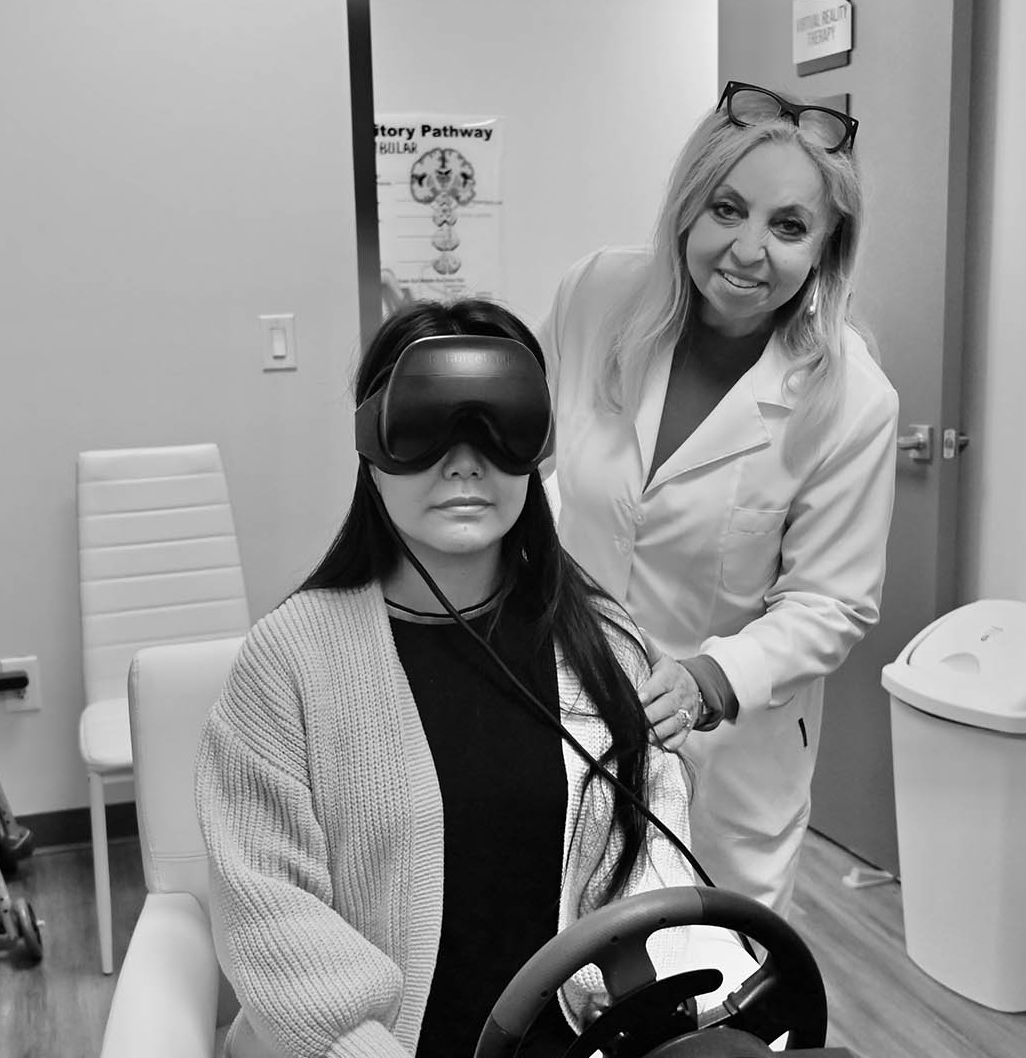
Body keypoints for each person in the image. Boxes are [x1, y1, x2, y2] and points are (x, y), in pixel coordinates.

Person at [195, 299, 699, 1058]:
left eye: (500, 428)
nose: (467, 462)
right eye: (430, 427)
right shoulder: (288, 662)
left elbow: (651, 873)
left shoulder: (603, 641)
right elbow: (271, 918)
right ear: (371, 443)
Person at [540, 80, 901, 915]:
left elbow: (831, 603)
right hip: (567, 699)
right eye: (727, 210)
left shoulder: (850, 400)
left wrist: (711, 677)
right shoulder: (596, 296)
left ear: (824, 250)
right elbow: (534, 466)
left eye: (788, 226)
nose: (748, 250)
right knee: (562, 951)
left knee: (715, 979)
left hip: (727, 752)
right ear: (687, 210)